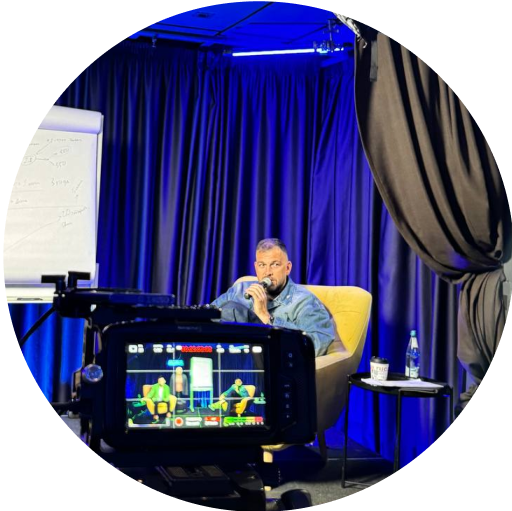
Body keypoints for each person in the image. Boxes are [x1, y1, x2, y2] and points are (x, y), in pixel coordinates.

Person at [211, 238, 335, 357]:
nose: (267, 272)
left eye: (275, 264)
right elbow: (207, 318)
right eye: (262, 265)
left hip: (267, 361)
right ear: (256, 267)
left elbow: (316, 345)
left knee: (234, 309)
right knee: (230, 309)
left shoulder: (305, 301)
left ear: (287, 268)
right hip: (226, 355)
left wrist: (266, 317)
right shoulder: (239, 290)